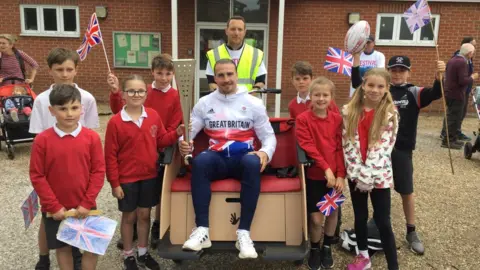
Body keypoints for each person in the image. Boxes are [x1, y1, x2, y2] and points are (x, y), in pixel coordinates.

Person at [179, 59, 276, 259]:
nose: (226, 79)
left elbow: (268, 136)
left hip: (243, 159)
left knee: (252, 162)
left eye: (229, 74)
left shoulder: (253, 103)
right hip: (217, 158)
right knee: (200, 162)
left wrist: (265, 152)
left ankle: (244, 233)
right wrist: (183, 142)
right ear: (215, 78)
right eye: (221, 75)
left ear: (236, 75)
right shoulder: (204, 103)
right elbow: (190, 132)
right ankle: (202, 230)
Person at [352, 52, 446, 255]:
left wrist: (439, 77)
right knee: (374, 188)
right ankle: (377, 221)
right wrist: (355, 60)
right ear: (388, 71)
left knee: (406, 191)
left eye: (401, 70)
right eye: (393, 70)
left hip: (401, 150)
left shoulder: (414, 92)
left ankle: (411, 231)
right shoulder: (381, 90)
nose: (397, 74)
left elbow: (436, 94)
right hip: (376, 151)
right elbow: (357, 83)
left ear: (408, 73)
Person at [29, 47, 99, 270]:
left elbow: (97, 170)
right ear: (52, 110)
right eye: (63, 109)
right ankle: (44, 257)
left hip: (84, 201)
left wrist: (87, 202)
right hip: (55, 202)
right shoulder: (43, 137)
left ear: (81, 108)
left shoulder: (91, 136)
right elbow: (37, 173)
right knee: (62, 247)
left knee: (89, 245)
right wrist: (52, 204)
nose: (69, 113)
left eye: (75, 108)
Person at [105, 74, 183, 270]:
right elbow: (110, 156)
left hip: (149, 175)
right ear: (123, 94)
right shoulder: (115, 122)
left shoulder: (153, 116)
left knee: (145, 215)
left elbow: (162, 140)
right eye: (131, 90)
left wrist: (177, 133)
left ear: (146, 94)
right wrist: (114, 183)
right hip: (127, 179)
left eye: (140, 90)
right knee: (129, 216)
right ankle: (128, 254)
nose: (136, 94)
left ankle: (143, 251)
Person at [343, 68, 399, 270]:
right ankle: (363, 256)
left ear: (386, 89)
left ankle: (394, 265)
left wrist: (367, 176)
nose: (375, 90)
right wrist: (357, 175)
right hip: (356, 176)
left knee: (383, 221)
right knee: (359, 216)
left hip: (379, 175)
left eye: (380, 86)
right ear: (363, 85)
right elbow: (347, 145)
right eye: (371, 85)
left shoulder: (390, 114)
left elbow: (384, 148)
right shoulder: (349, 111)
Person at [295, 77, 345, 269]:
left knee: (332, 213)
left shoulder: (337, 120)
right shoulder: (303, 119)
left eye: (325, 95)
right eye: (317, 94)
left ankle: (327, 246)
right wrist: (326, 169)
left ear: (331, 97)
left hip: (335, 177)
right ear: (311, 96)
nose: (321, 98)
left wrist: (340, 174)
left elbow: (341, 148)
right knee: (316, 219)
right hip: (315, 176)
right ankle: (315, 247)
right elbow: (309, 146)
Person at [205, 16, 267, 92]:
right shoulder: (214, 54)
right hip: (223, 102)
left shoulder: (256, 54)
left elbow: (260, 81)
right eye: (233, 29)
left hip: (248, 102)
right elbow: (211, 82)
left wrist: (246, 98)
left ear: (245, 32)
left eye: (240, 29)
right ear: (226, 31)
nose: (236, 33)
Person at [441, 43, 478, 149]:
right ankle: (448, 141)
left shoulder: (453, 59)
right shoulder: (462, 62)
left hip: (450, 92)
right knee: (454, 118)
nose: (472, 55)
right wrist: (472, 77)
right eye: (472, 53)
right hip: (456, 94)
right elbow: (462, 81)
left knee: (452, 117)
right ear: (469, 53)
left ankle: (452, 139)